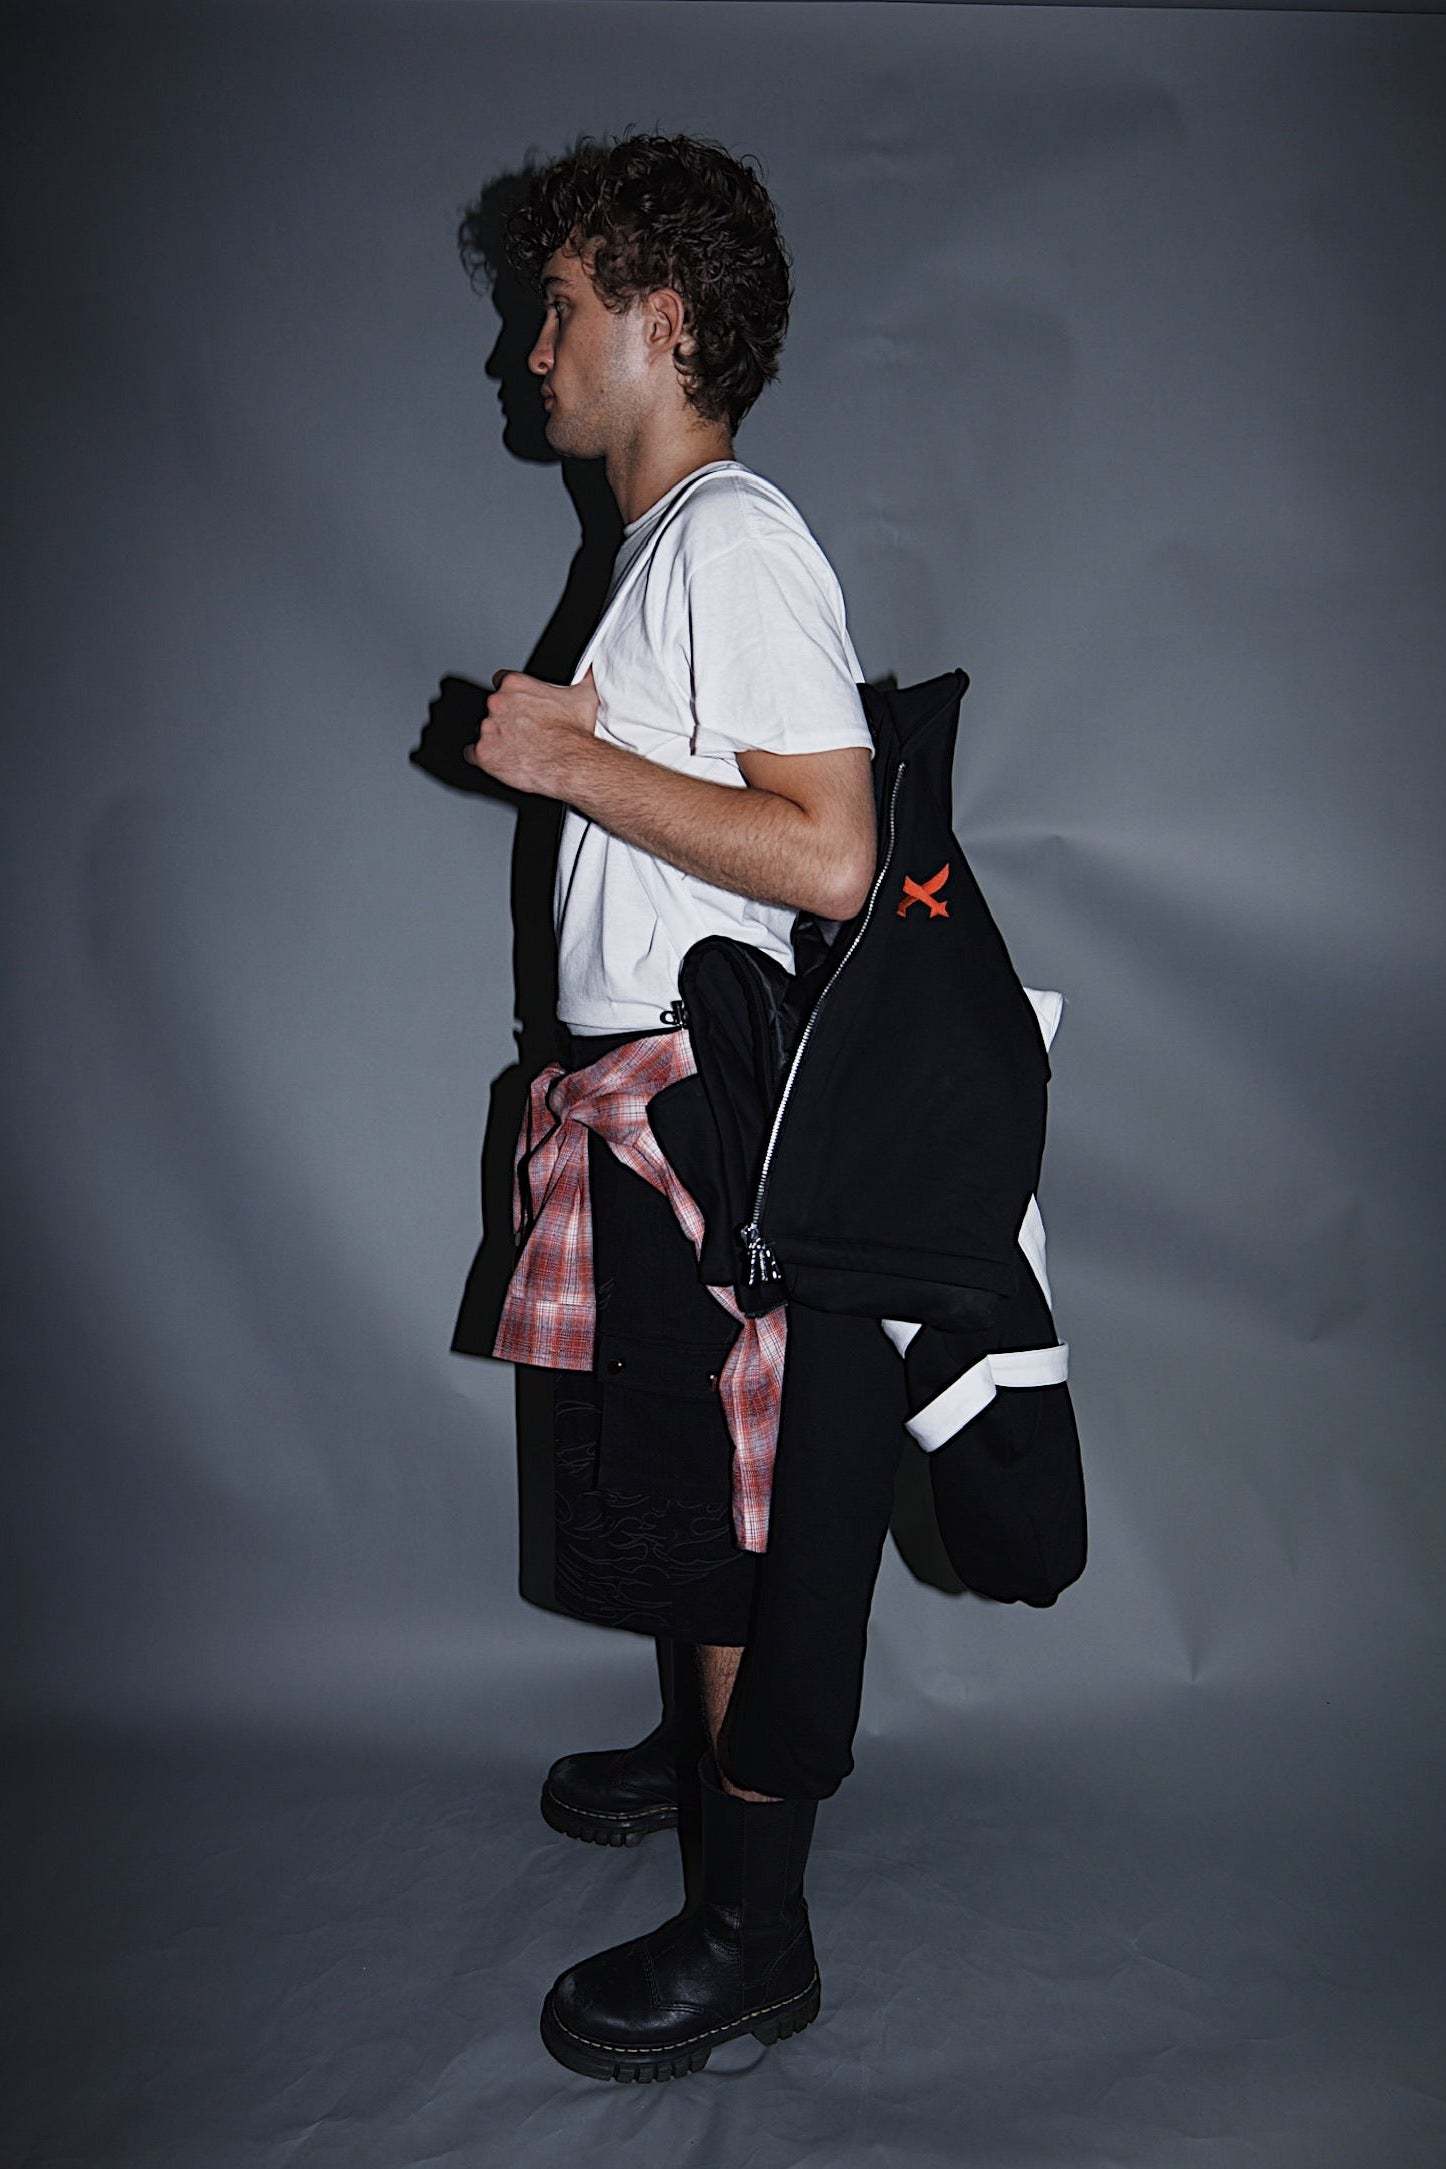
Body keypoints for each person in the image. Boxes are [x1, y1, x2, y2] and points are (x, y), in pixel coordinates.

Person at [460, 129, 886, 2083]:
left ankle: (754, 1931)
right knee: (664, 1468)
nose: (529, 352)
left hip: (702, 1109)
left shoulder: (733, 539)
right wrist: (597, 751)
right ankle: (694, 1756)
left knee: (720, 1515)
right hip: (644, 1099)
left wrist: (570, 760)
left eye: (557, 310)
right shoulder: (651, 551)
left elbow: (831, 854)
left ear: (663, 318)